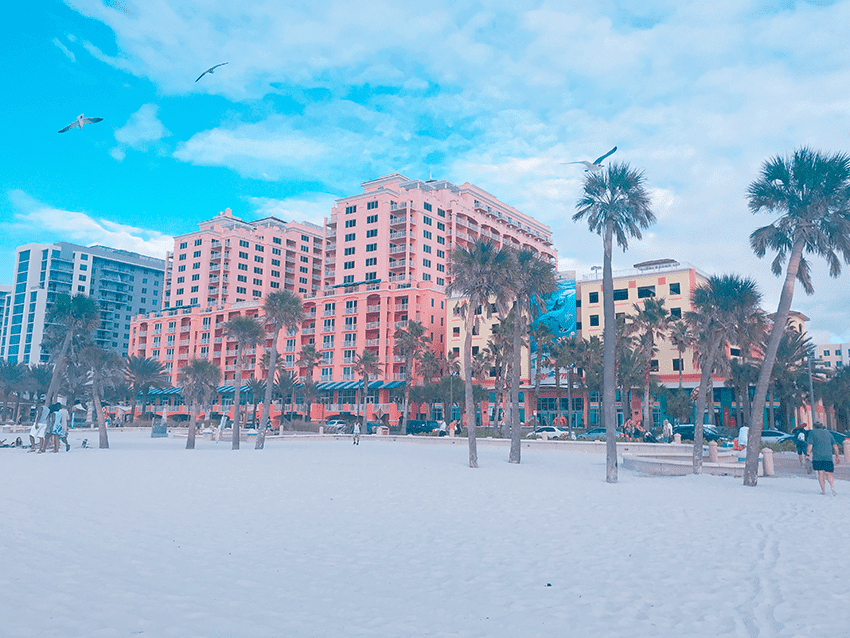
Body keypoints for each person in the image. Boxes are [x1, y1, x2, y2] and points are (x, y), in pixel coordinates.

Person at [806, 422, 840, 496]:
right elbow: (835, 446)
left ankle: (823, 490)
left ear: (814, 427)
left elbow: (810, 445)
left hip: (818, 457)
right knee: (828, 473)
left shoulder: (812, 433)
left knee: (820, 473)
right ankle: (832, 487)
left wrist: (807, 455)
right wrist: (837, 456)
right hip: (828, 457)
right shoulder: (828, 433)